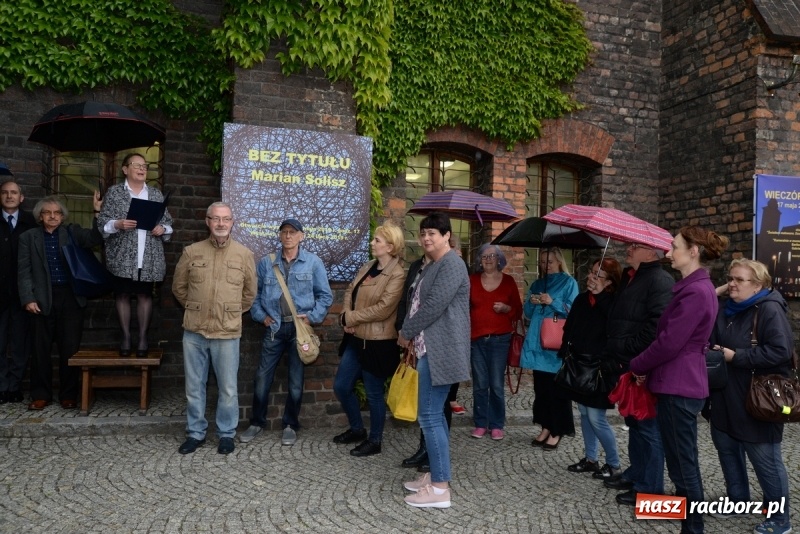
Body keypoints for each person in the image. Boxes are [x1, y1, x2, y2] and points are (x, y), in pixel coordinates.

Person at [630, 226, 728, 534]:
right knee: (680, 463)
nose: (668, 253)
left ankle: (693, 528)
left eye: (674, 247)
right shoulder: (694, 288)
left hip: (680, 385)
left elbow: (670, 342)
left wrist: (636, 364)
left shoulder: (696, 291)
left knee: (683, 465)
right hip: (677, 382)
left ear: (693, 251)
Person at [708, 259, 793, 534]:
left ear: (758, 285)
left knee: (765, 460)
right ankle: (737, 500)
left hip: (757, 400)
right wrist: (717, 291)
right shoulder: (724, 307)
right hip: (724, 396)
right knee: (728, 452)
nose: (732, 283)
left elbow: (781, 352)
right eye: (730, 277)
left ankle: (780, 520)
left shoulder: (769, 310)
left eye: (739, 280)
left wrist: (737, 357)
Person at [172, 202, 256, 455]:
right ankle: (196, 433)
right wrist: (199, 308)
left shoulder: (244, 255)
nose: (221, 224)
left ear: (232, 222)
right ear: (207, 221)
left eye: (226, 219)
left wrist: (226, 312)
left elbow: (249, 294)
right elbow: (179, 288)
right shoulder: (192, 252)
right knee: (193, 387)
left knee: (228, 389)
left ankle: (226, 434)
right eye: (216, 219)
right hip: (195, 332)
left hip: (227, 333)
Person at [240, 218, 333, 446]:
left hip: (299, 330)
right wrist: (262, 318)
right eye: (284, 232)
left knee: (295, 379)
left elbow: (325, 295)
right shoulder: (267, 263)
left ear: (302, 236)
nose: (288, 236)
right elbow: (254, 294)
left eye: (293, 232)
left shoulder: (313, 263)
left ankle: (290, 424)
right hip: (274, 327)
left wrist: (311, 317)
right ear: (280, 236)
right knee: (262, 377)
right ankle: (256, 422)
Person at [399, 212, 470, 509]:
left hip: (442, 350)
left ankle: (440, 489)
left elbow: (433, 306)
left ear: (447, 236)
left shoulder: (452, 263)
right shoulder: (434, 264)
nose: (427, 238)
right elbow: (415, 301)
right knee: (434, 414)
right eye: (424, 233)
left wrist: (406, 332)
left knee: (429, 415)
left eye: (434, 233)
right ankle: (433, 476)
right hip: (428, 348)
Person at [18, 194, 104, 410]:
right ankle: (40, 394)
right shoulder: (28, 237)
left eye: (57, 213)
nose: (53, 216)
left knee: (70, 350)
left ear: (63, 216)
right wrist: (28, 298)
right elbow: (24, 272)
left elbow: (95, 238)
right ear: (40, 216)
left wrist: (97, 212)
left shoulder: (72, 233)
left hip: (71, 298)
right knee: (40, 350)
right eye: (47, 212)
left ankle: (69, 395)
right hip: (41, 299)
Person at [603, 242, 673, 506]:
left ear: (652, 253)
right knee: (633, 421)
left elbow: (657, 326)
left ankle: (650, 488)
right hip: (625, 362)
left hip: (642, 363)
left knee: (648, 427)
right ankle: (637, 472)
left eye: (636, 246)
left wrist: (629, 350)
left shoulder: (659, 280)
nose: (628, 249)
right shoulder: (630, 277)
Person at [332, 222, 405, 456]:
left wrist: (350, 318)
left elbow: (384, 309)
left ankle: (375, 441)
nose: (373, 243)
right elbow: (349, 291)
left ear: (391, 246)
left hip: (378, 343)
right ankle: (357, 429)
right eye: (374, 239)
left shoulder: (397, 274)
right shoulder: (367, 266)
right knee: (342, 386)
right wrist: (346, 317)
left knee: (374, 393)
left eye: (378, 240)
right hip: (356, 339)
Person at [97, 153, 173, 357]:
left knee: (144, 295)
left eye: (145, 166)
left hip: (147, 256)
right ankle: (125, 337)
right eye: (136, 165)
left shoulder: (156, 194)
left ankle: (142, 338)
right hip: (122, 255)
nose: (142, 169)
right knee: (121, 294)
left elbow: (168, 223)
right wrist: (118, 224)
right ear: (125, 169)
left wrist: (162, 229)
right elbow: (102, 222)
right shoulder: (114, 193)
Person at [560, 258, 623, 479]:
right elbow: (570, 328)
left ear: (609, 281)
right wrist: (564, 354)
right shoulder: (581, 299)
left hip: (601, 369)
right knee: (585, 414)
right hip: (579, 366)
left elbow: (615, 326)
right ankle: (591, 459)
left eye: (598, 275)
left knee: (597, 418)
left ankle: (614, 464)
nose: (591, 278)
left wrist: (600, 296)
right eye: (591, 273)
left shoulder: (614, 301)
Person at [522, 247, 579, 450]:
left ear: (559, 262)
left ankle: (558, 430)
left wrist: (552, 301)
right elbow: (527, 313)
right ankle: (546, 426)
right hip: (537, 341)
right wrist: (531, 301)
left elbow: (574, 310)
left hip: (555, 344)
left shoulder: (569, 282)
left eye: (550, 262)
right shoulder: (538, 282)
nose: (546, 265)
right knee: (541, 390)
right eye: (543, 262)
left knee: (556, 390)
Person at [468, 244, 521, 440]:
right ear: (479, 260)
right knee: (480, 384)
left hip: (500, 339)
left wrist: (507, 309)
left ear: (499, 259)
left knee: (496, 384)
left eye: (492, 256)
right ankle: (481, 423)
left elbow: (518, 310)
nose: (488, 259)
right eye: (484, 256)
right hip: (476, 340)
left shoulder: (508, 281)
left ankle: (497, 424)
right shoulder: (472, 280)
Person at [0, 180, 37, 403]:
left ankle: (14, 387)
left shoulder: (30, 223)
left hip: (23, 295)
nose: (9, 196)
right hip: (0, 295)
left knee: (20, 344)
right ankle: (1, 387)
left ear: (21, 198)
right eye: (4, 192)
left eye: (14, 193)